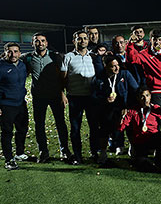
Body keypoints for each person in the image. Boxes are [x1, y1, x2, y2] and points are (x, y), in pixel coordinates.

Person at [21, 32, 70, 163]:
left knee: (61, 123)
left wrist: (62, 93)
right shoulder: (27, 58)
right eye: (37, 41)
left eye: (43, 41)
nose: (40, 43)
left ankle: (64, 150)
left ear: (47, 43)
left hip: (55, 95)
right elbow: (10, 59)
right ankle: (43, 151)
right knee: (39, 125)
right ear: (32, 43)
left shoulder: (55, 56)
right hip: (38, 96)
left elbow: (62, 76)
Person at [92, 55, 139, 164]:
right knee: (104, 130)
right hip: (106, 109)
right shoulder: (99, 78)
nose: (117, 68)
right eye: (113, 66)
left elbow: (135, 90)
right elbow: (94, 95)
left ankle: (132, 148)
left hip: (123, 108)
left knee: (130, 128)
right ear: (106, 66)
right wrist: (104, 99)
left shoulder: (125, 74)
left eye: (117, 65)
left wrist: (128, 107)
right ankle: (103, 153)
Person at [61, 30, 98, 164]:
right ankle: (77, 155)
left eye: (85, 38)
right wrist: (62, 93)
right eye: (79, 39)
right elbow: (63, 78)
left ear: (88, 41)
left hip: (91, 98)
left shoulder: (93, 56)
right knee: (75, 128)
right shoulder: (68, 56)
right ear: (74, 41)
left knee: (94, 127)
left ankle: (95, 153)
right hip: (75, 97)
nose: (82, 41)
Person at [126, 29, 161, 107]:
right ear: (150, 39)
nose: (157, 42)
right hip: (155, 92)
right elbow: (132, 59)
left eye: (159, 40)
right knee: (157, 117)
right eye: (154, 39)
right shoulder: (144, 54)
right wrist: (130, 44)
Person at [118, 86, 161, 170]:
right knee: (142, 164)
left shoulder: (156, 109)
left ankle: (158, 155)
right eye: (142, 96)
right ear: (138, 98)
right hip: (140, 141)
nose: (145, 99)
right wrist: (121, 118)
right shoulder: (132, 111)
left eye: (147, 95)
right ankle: (138, 153)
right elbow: (121, 127)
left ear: (150, 96)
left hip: (152, 138)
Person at [0, 42, 29, 170]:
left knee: (22, 129)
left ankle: (19, 153)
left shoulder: (22, 65)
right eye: (10, 51)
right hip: (6, 105)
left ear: (19, 52)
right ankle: (8, 159)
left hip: (21, 103)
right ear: (5, 52)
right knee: (7, 132)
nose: (13, 54)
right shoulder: (1, 66)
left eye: (16, 51)